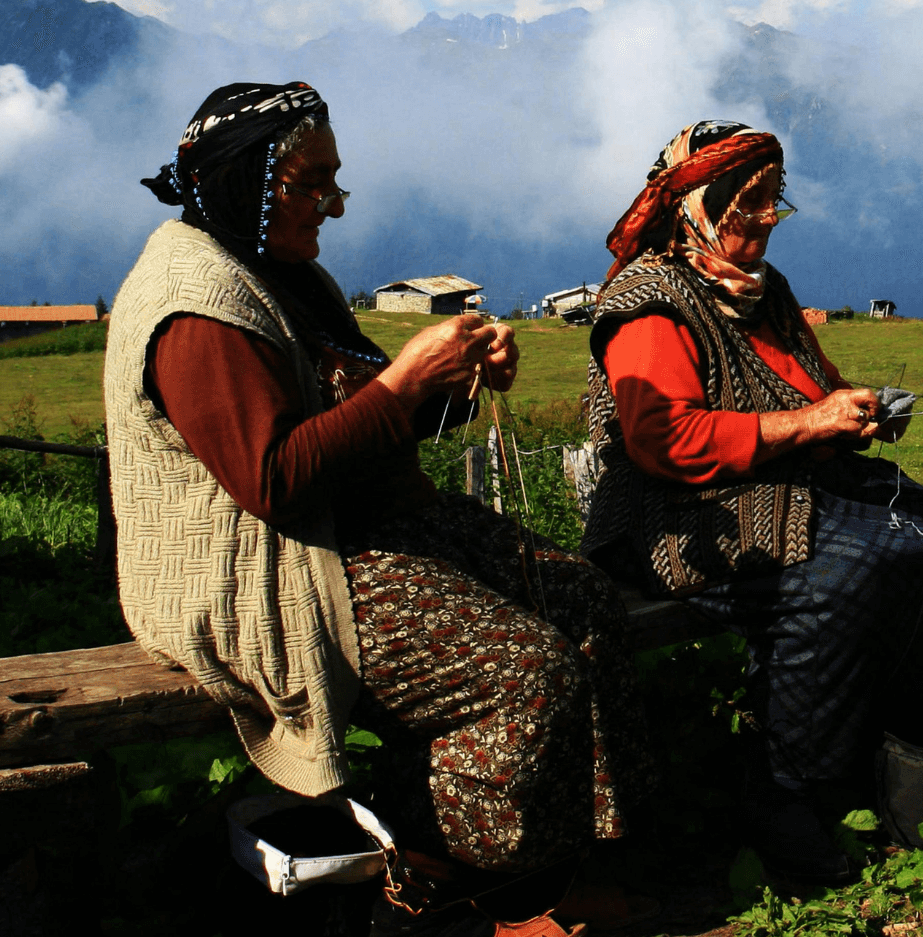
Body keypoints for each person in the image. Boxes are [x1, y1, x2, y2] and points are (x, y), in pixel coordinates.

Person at [104, 82, 654, 936]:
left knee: (583, 603)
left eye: (336, 182)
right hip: (276, 566)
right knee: (527, 673)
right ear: (245, 185)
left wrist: (453, 384)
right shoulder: (196, 305)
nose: (333, 205)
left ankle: (560, 861)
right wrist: (404, 383)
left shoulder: (285, 273)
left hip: (352, 528)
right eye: (311, 185)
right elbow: (273, 481)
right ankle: (432, 879)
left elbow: (359, 416)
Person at [579, 120, 923, 885]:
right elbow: (665, 441)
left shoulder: (765, 291)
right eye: (751, 202)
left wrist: (856, 410)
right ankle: (782, 786)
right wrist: (810, 424)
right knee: (839, 581)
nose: (769, 218)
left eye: (777, 199)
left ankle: (894, 741)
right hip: (676, 517)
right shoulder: (650, 304)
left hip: (780, 485)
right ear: (700, 207)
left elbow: (814, 385)